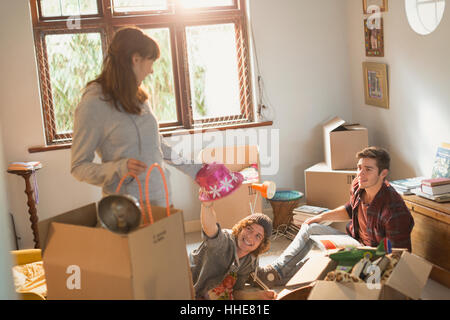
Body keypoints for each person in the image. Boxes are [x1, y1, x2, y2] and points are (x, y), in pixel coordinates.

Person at [71, 27, 201, 206]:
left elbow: (157, 145)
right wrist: (118, 169)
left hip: (161, 200)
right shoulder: (94, 104)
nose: (151, 71)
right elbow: (78, 167)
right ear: (136, 59)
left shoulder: (138, 97)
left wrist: (197, 170)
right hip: (126, 209)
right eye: (151, 62)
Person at [257, 146, 415, 288]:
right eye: (359, 167)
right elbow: (349, 209)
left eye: (368, 169)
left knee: (324, 260)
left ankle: (276, 277)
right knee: (310, 227)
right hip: (355, 241)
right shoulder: (359, 185)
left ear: (383, 174)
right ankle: (276, 270)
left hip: (373, 256)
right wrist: (320, 217)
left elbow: (398, 254)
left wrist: (357, 258)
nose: (361, 173)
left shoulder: (394, 210)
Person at [189, 200, 277, 300]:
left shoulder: (250, 261)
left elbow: (235, 293)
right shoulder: (224, 241)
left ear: (261, 244)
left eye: (258, 236)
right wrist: (207, 205)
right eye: (249, 229)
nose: (250, 237)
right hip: (189, 288)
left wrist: (258, 295)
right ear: (241, 228)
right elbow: (210, 229)